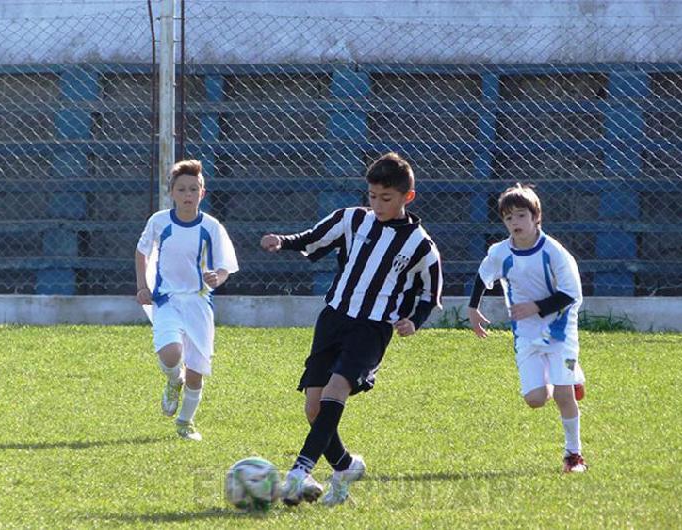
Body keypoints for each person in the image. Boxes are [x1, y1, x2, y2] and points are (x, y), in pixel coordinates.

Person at [260, 152, 443, 506]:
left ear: (408, 197)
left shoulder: (421, 245)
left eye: (386, 198)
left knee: (337, 387)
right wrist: (282, 241)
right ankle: (344, 465)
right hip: (333, 319)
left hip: (372, 329)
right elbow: (312, 237)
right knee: (314, 407)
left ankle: (300, 470)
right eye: (372, 196)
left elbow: (430, 292)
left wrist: (414, 321)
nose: (377, 204)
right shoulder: (351, 219)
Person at [467, 183, 588, 473]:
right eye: (508, 218)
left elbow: (571, 293)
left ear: (536, 218)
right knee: (535, 400)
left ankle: (574, 456)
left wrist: (536, 306)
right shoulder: (500, 252)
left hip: (561, 332)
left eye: (521, 216)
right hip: (527, 334)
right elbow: (483, 276)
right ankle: (567, 376)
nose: (514, 223)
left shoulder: (554, 252)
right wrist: (473, 309)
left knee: (562, 395)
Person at [135, 159, 239, 441]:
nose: (188, 195)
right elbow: (142, 251)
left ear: (202, 193)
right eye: (182, 189)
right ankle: (172, 380)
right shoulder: (159, 222)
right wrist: (142, 285)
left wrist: (218, 276)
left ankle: (185, 422)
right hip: (167, 299)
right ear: (172, 193)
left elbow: (225, 265)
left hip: (198, 304)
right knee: (170, 354)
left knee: (196, 372)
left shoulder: (211, 226)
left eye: (193, 189)